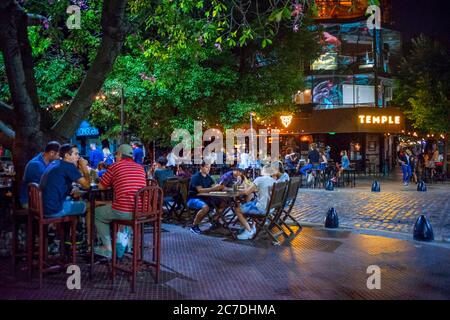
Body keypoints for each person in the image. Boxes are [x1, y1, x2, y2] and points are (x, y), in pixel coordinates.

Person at [94, 144, 147, 258]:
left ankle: (107, 248)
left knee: (98, 213)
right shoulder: (140, 168)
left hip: (125, 211)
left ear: (119, 155)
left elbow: (101, 186)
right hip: (142, 211)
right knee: (118, 206)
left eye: (116, 155)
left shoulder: (115, 166)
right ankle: (125, 244)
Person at [40, 144, 90, 217]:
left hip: (43, 207)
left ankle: (68, 227)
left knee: (75, 198)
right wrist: (84, 167)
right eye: (76, 154)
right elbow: (87, 185)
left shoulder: (55, 163)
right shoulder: (68, 165)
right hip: (55, 209)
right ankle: (84, 228)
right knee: (90, 205)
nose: (78, 157)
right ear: (67, 155)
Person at [233, 165, 277, 240]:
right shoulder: (274, 181)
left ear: (263, 171)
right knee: (250, 203)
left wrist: (239, 191)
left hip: (262, 209)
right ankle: (253, 227)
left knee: (237, 209)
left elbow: (247, 192)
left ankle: (248, 231)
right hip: (271, 208)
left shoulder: (259, 179)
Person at [188, 162, 226, 235]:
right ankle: (194, 226)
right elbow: (200, 190)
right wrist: (213, 188)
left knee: (223, 203)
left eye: (209, 167)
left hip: (206, 197)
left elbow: (213, 185)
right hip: (194, 198)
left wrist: (219, 187)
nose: (208, 169)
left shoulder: (208, 177)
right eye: (206, 167)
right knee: (205, 207)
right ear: (201, 167)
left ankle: (214, 220)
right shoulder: (196, 177)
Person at [19, 141, 61, 206]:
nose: (59, 158)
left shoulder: (48, 162)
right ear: (52, 153)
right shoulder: (36, 165)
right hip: (30, 201)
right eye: (58, 155)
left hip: (42, 197)